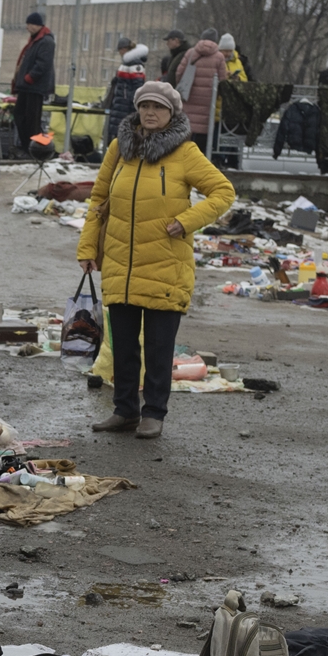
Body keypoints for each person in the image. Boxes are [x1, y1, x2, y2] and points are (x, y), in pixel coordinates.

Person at [76, 81, 234, 440]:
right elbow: (98, 201)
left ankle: (155, 413)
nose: (150, 113)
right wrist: (88, 249)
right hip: (120, 264)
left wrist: (186, 221)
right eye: (145, 106)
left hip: (165, 264)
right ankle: (125, 410)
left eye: (159, 108)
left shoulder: (185, 153)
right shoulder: (119, 148)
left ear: (172, 114)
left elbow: (223, 191)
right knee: (124, 346)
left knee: (159, 348)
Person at [12, 12, 55, 156]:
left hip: (34, 87)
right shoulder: (36, 41)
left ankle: (35, 150)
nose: (27, 27)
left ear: (37, 25)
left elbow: (43, 64)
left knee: (32, 121)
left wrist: (29, 78)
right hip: (27, 87)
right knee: (20, 115)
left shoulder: (46, 41)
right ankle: (28, 147)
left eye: (29, 24)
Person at [173, 35, 227, 148]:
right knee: (203, 131)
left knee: (187, 128)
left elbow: (179, 72)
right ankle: (200, 158)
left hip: (189, 96)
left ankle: (185, 157)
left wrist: (183, 86)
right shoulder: (219, 57)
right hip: (209, 100)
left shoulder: (190, 53)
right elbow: (223, 81)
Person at [104, 44, 148, 150]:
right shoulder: (133, 65)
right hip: (124, 105)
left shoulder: (131, 65)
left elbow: (134, 87)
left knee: (120, 135)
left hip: (122, 104)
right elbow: (136, 88)